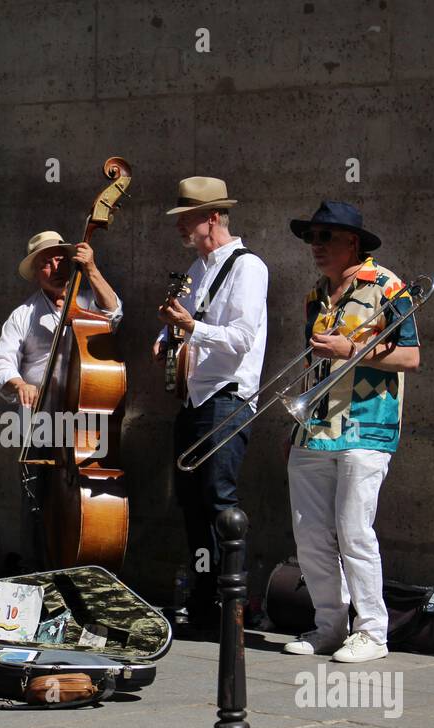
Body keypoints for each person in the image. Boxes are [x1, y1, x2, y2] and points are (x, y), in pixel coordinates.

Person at [281, 200, 420, 663]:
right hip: (315, 427)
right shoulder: (314, 295)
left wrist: (352, 349)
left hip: (366, 426)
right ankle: (329, 624)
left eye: (325, 237)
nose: (315, 246)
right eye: (311, 238)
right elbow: (312, 366)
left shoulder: (388, 286)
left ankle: (373, 632)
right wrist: (295, 422)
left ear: (352, 243)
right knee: (310, 535)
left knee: (354, 531)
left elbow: (410, 357)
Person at [155, 177, 268, 632]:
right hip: (196, 395)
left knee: (220, 499)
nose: (181, 227)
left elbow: (240, 340)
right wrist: (166, 334)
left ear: (213, 217)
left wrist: (188, 326)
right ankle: (204, 604)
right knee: (192, 502)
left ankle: (233, 604)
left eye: (187, 219)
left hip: (228, 396)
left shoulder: (248, 267)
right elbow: (184, 323)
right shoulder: (196, 268)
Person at [0, 230, 123, 568]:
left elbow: (115, 313)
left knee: (85, 504)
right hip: (40, 424)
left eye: (60, 259)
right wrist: (19, 383)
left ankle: (83, 566)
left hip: (85, 424)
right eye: (45, 263)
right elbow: (1, 361)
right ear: (37, 272)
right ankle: (37, 573)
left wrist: (92, 269)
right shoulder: (24, 314)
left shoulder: (88, 302)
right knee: (36, 502)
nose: (55, 267)